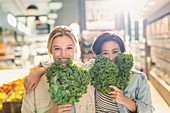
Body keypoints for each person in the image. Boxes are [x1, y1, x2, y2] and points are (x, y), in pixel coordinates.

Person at [24, 32, 155, 113]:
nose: (110, 57)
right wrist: (39, 70)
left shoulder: (138, 79)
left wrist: (125, 100)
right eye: (105, 53)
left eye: (115, 51)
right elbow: (59, 64)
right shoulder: (94, 72)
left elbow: (149, 110)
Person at [21, 26, 95, 113]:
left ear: (75, 50)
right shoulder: (35, 83)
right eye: (57, 48)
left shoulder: (88, 78)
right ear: (50, 51)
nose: (63, 54)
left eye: (69, 48)